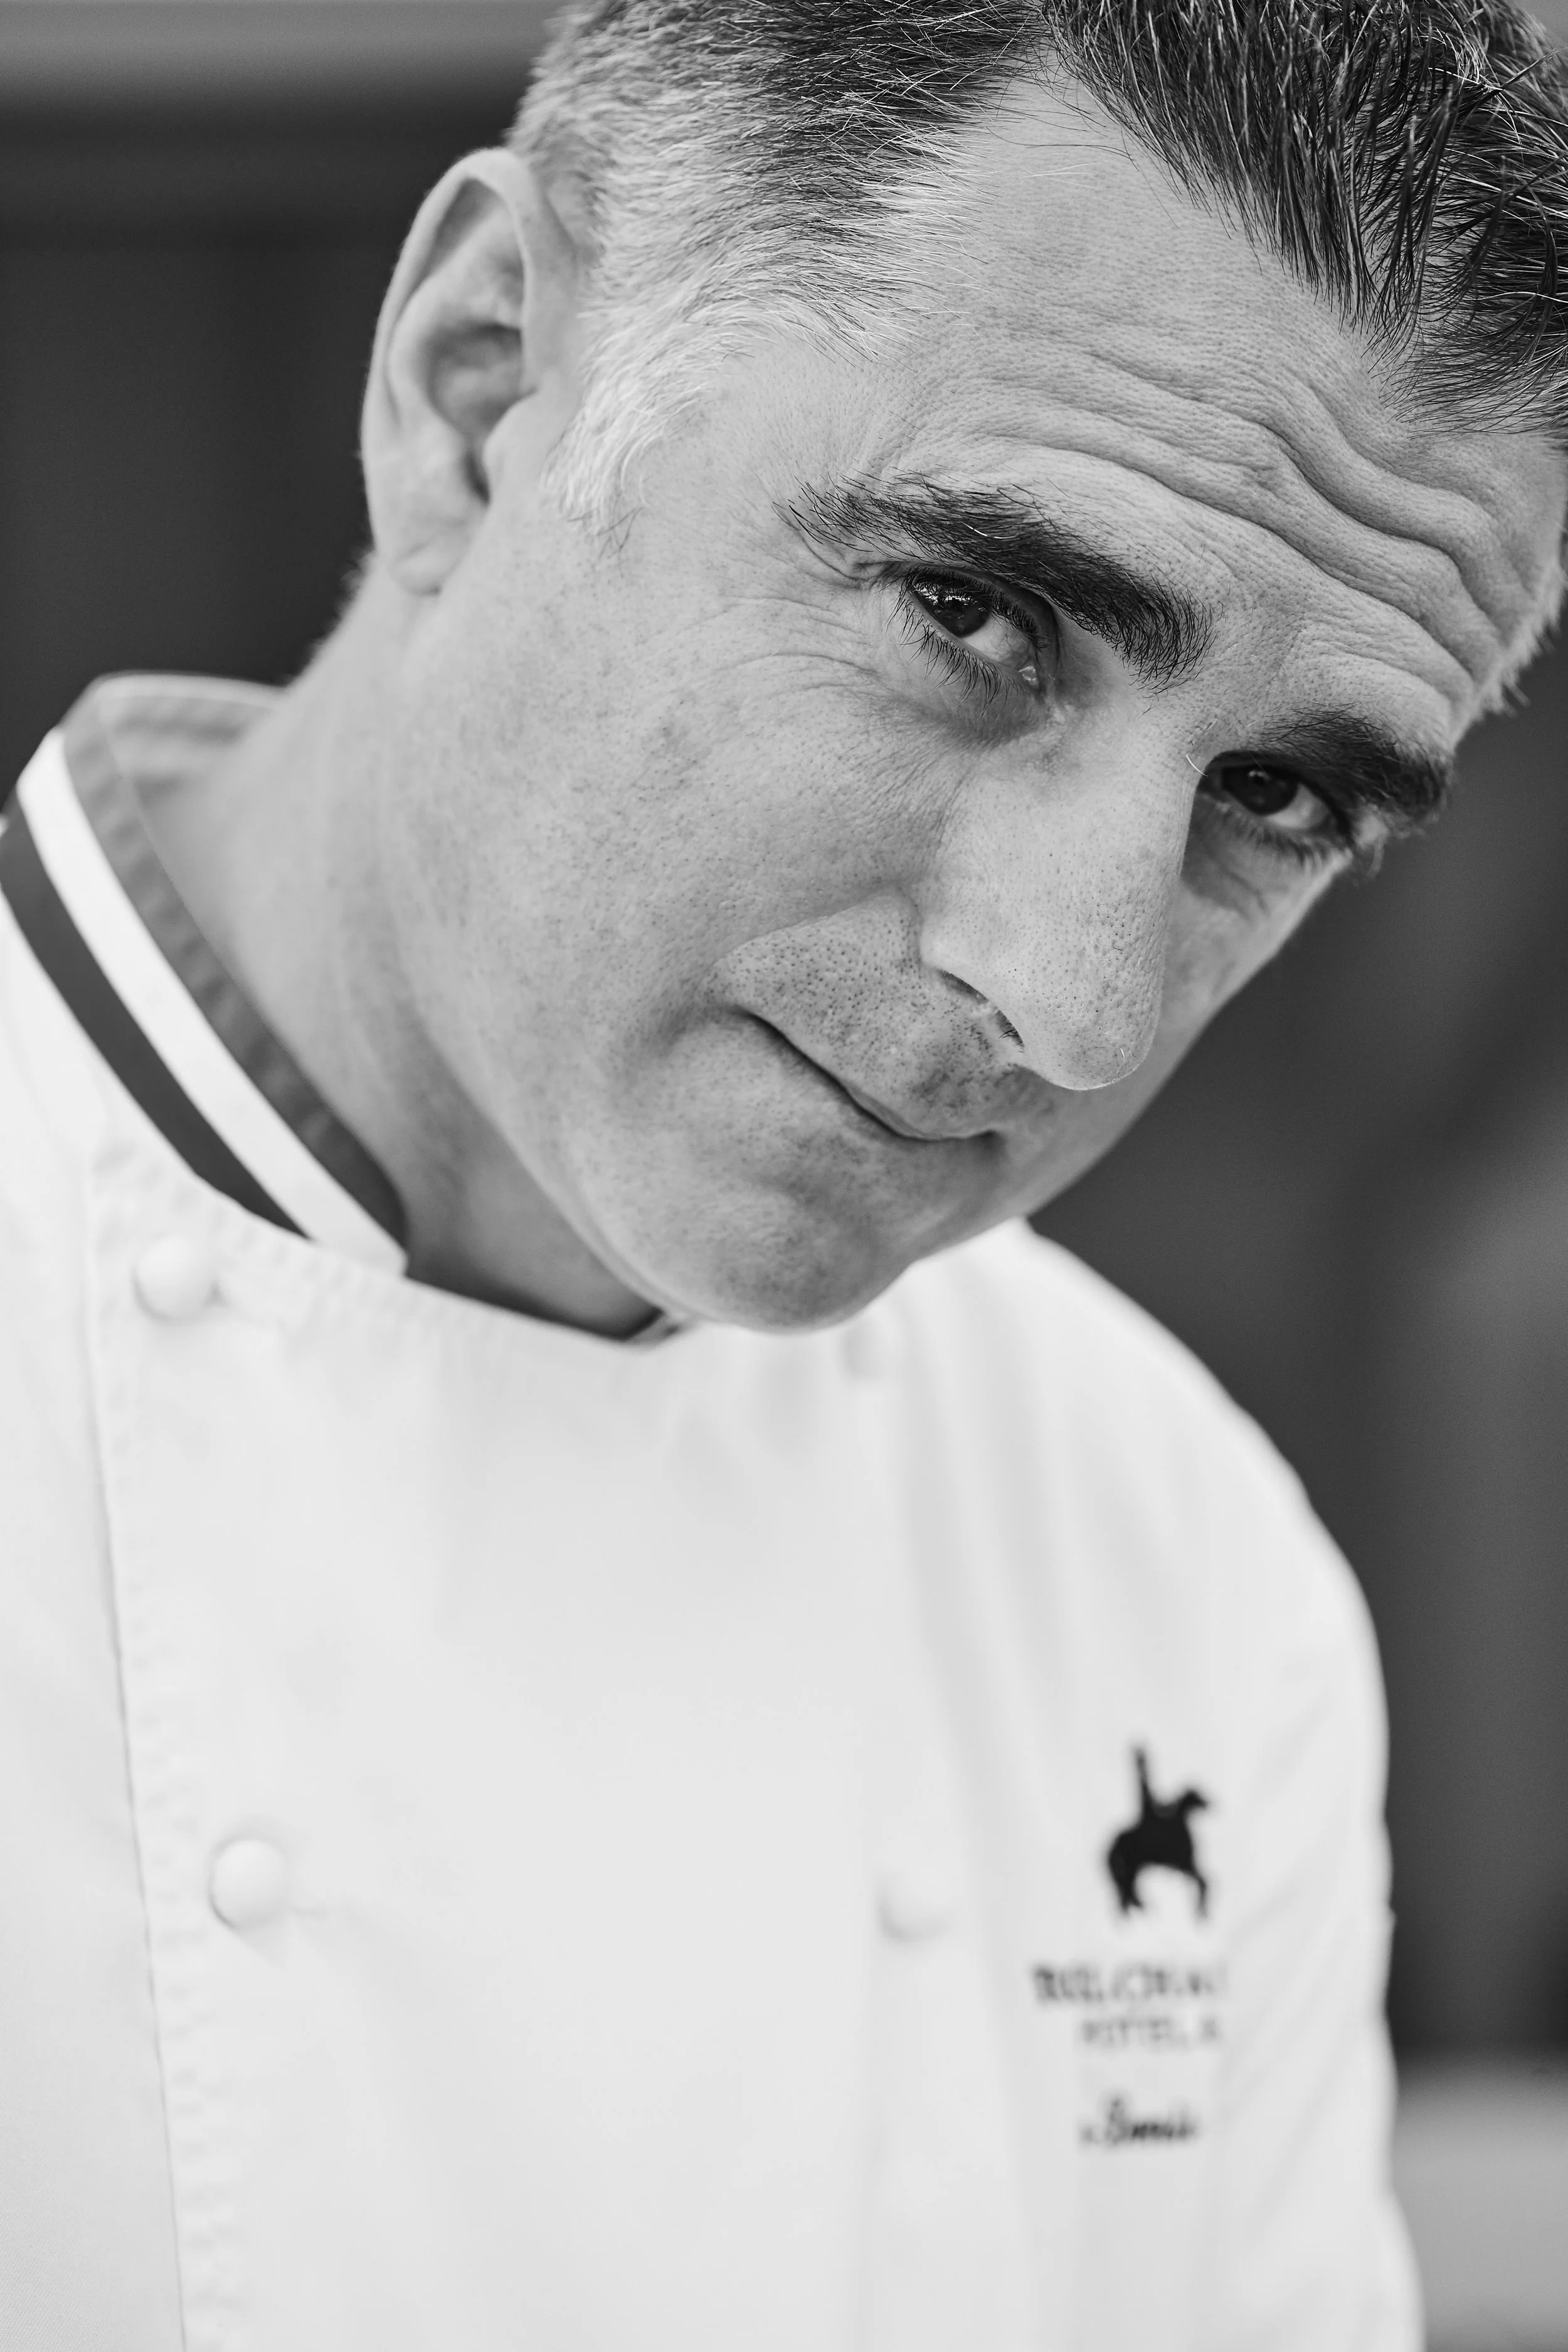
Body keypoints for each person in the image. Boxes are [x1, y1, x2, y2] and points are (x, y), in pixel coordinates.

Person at [3, 1, 1565, 2344]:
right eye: (973, 620)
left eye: (1274, 801)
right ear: (478, 391)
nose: (1074, 1002)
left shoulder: (1166, 1552)